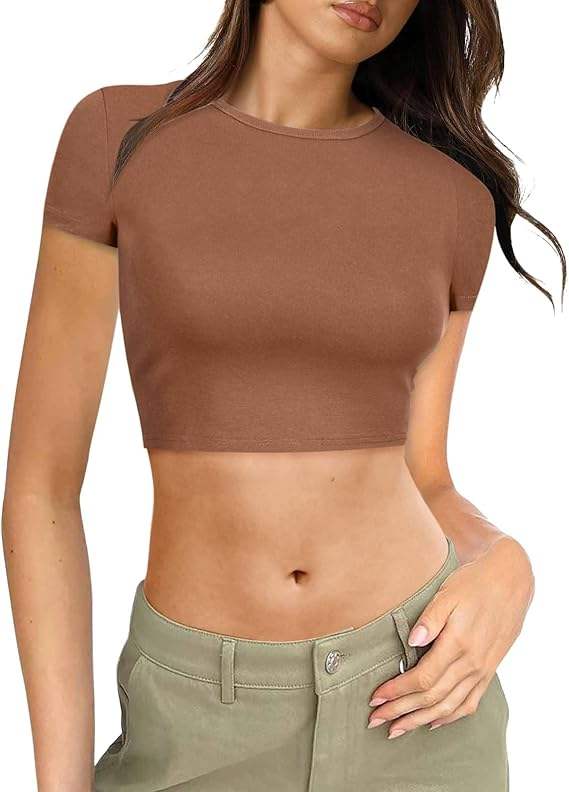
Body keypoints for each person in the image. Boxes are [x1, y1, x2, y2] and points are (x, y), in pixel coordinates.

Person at [3, 1, 565, 790]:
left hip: (415, 702)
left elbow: (424, 474)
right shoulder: (118, 138)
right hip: (199, 716)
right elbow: (42, 487)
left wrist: (509, 564)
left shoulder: (448, 193)